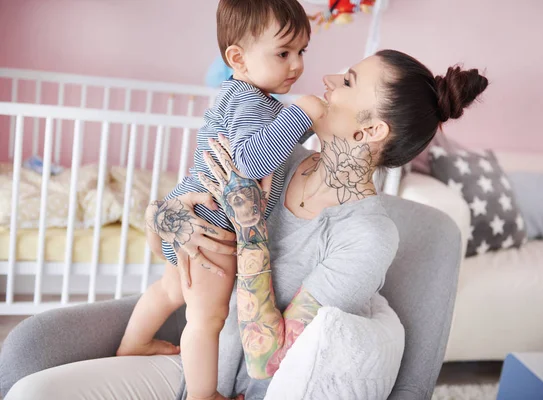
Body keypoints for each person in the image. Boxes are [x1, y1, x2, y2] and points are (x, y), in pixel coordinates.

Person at [0, 50, 488, 400]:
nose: (328, 78)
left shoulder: (368, 235)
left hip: (237, 386)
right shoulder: (276, 155)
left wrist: (251, 225)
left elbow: (266, 360)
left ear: (370, 130)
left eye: (348, 81)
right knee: (33, 390)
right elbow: (158, 239)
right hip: (193, 358)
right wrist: (176, 214)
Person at [115, 1, 325, 399]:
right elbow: (248, 160)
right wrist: (303, 115)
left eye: (301, 52)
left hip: (187, 212)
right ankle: (201, 394)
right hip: (212, 225)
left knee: (170, 291)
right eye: (283, 53)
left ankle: (134, 343)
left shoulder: (237, 94)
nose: (296, 65)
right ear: (238, 58)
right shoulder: (251, 101)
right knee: (207, 317)